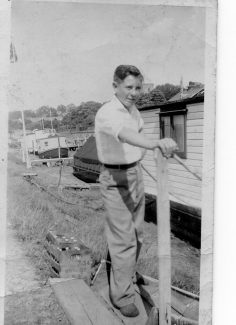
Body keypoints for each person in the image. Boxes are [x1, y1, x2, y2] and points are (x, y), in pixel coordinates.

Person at [95, 65, 177, 318]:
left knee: (137, 236)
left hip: (135, 172)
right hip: (114, 177)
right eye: (128, 87)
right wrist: (155, 144)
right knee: (124, 240)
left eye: (138, 87)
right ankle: (121, 296)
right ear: (115, 86)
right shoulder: (107, 112)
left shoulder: (134, 111)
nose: (134, 93)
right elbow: (127, 135)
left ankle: (126, 277)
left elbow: (135, 132)